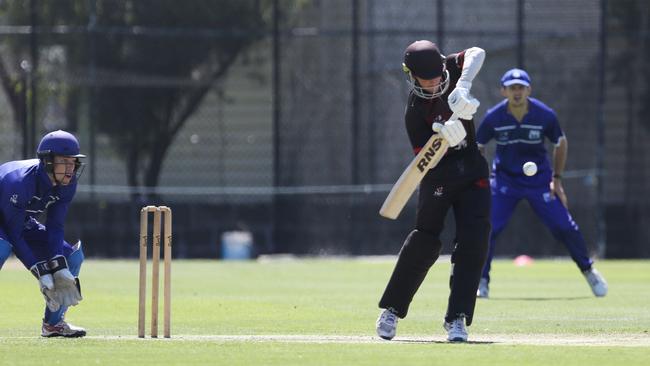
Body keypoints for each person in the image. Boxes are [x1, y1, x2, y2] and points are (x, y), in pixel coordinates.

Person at [376, 40, 490, 342]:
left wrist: (463, 86)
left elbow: (477, 52)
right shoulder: (414, 112)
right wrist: (441, 139)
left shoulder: (451, 68)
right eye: (427, 79)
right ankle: (391, 310)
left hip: (473, 172)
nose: (436, 82)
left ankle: (457, 319)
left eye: (438, 75)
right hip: (439, 175)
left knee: (474, 240)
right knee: (424, 241)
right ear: (411, 77)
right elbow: (424, 162)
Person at [475, 68, 608, 298]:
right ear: (503, 91)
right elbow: (478, 146)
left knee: (565, 226)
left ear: (529, 90)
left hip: (540, 182)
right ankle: (482, 281)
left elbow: (560, 142)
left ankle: (589, 271)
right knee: (487, 229)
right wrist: (484, 178)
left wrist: (556, 180)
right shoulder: (493, 117)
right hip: (505, 182)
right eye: (512, 87)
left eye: (521, 87)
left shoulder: (544, 115)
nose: (517, 92)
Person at [0, 130, 86, 337]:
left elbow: (55, 226)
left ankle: (53, 325)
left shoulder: (68, 182)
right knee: (1, 247)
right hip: (8, 224)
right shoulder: (19, 182)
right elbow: (13, 234)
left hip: (20, 222)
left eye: (73, 162)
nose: (70, 169)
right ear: (48, 161)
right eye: (64, 162)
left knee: (71, 257)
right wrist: (39, 271)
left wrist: (57, 264)